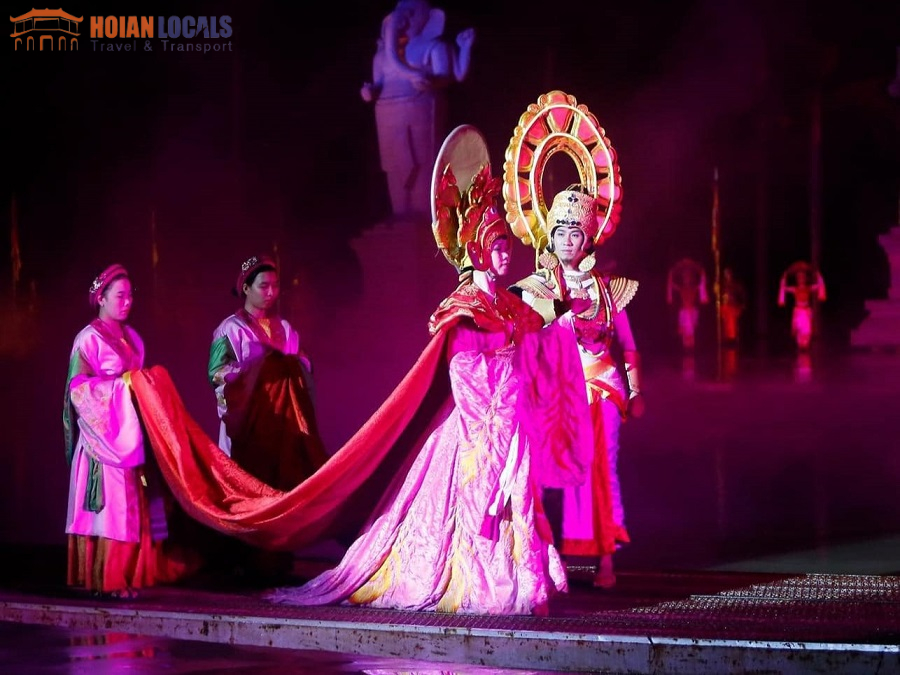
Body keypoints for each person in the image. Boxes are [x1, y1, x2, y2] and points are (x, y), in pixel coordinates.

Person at [265, 177, 592, 615]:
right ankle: (474, 582)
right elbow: (463, 366)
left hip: (509, 421)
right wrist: (499, 403)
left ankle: (522, 580)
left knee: (518, 498)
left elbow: (534, 333)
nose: (504, 254)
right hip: (478, 427)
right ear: (477, 251)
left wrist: (564, 311)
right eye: (495, 247)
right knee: (465, 506)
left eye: (506, 247)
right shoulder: (464, 304)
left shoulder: (508, 303)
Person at [511, 185, 644, 589]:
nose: (567, 241)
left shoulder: (606, 289)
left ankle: (605, 559)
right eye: (561, 233)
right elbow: (520, 341)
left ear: (588, 239)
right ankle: (540, 561)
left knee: (601, 469)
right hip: (550, 395)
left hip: (599, 388)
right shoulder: (535, 288)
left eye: (576, 234)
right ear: (549, 236)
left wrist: (636, 391)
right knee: (536, 474)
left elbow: (630, 347)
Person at [63, 264, 195, 598]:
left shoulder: (132, 338)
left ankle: (135, 574)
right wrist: (124, 386)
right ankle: (109, 579)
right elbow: (78, 389)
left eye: (130, 295)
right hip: (104, 439)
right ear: (101, 298)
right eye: (120, 295)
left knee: (135, 505)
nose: (127, 301)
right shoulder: (88, 338)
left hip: (131, 434)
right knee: (113, 509)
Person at [208, 254, 328, 491]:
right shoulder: (230, 329)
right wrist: (256, 372)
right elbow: (217, 374)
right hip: (250, 425)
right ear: (246, 288)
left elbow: (303, 367)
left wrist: (288, 367)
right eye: (263, 286)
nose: (271, 292)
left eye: (275, 285)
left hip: (286, 430)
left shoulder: (284, 328)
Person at [361, 0, 475, 218]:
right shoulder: (383, 56)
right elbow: (378, 83)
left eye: (412, 14)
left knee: (423, 164)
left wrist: (432, 81)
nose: (406, 19)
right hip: (387, 113)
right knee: (395, 166)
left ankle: (424, 215)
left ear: (430, 19)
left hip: (422, 108)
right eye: (401, 14)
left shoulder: (433, 47)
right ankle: (400, 213)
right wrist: (369, 92)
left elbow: (449, 76)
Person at [778, 262, 826, 351]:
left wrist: (818, 276)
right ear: (797, 280)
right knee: (799, 329)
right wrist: (784, 277)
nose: (801, 280)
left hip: (806, 310)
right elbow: (784, 287)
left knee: (807, 330)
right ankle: (800, 346)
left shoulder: (808, 288)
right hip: (798, 311)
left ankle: (805, 345)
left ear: (805, 279)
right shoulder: (795, 289)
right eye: (799, 278)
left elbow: (819, 286)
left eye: (802, 278)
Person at [666, 257, 709, 351]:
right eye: (685, 277)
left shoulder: (694, 288)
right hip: (684, 311)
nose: (687, 279)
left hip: (692, 310)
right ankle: (686, 347)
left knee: (691, 329)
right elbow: (672, 285)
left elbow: (702, 285)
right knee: (685, 329)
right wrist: (671, 274)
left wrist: (702, 274)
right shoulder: (681, 288)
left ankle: (691, 347)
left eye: (688, 277)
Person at [720, 267, 746, 345]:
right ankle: (726, 339)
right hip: (725, 306)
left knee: (732, 323)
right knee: (725, 323)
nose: (727, 276)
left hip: (733, 306)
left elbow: (742, 293)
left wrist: (742, 304)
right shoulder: (722, 285)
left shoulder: (735, 285)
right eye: (725, 274)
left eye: (728, 274)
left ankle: (733, 339)